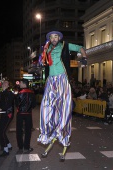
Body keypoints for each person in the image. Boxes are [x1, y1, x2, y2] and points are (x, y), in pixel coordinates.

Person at [37, 30, 87, 161]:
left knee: (63, 108)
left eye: (56, 36)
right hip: (50, 80)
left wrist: (84, 58)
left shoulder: (65, 45)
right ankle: (47, 133)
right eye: (52, 37)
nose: (54, 38)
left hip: (62, 79)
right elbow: (42, 62)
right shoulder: (46, 48)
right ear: (49, 38)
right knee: (45, 107)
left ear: (59, 38)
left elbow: (81, 47)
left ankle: (63, 135)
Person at [15, 79, 36, 152]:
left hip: (20, 114)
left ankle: (20, 146)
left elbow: (16, 104)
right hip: (28, 114)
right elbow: (34, 105)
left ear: (24, 84)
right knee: (28, 131)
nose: (19, 84)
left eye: (20, 83)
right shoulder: (32, 93)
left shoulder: (19, 93)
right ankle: (27, 147)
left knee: (19, 130)